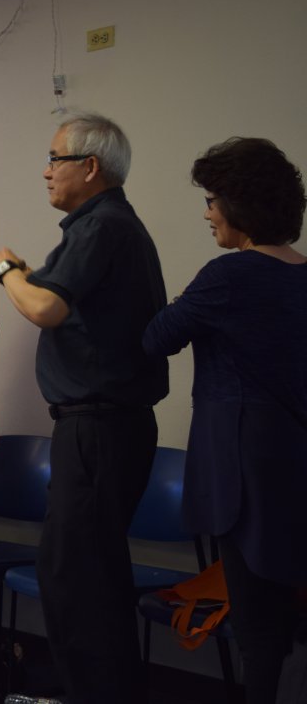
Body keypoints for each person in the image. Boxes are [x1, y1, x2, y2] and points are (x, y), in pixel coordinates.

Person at [0, 113, 168, 704]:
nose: (46, 171)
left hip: (99, 425)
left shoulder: (101, 226)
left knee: (75, 576)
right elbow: (56, 295)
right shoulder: (107, 227)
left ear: (90, 167)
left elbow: (44, 308)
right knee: (91, 575)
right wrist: (27, 277)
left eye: (54, 159)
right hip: (104, 426)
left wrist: (6, 270)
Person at [142, 137, 307, 703]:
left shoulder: (229, 275)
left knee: (256, 625)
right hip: (295, 463)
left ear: (240, 205)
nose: (207, 212)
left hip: (244, 469)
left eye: (212, 200)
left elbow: (157, 337)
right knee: (285, 617)